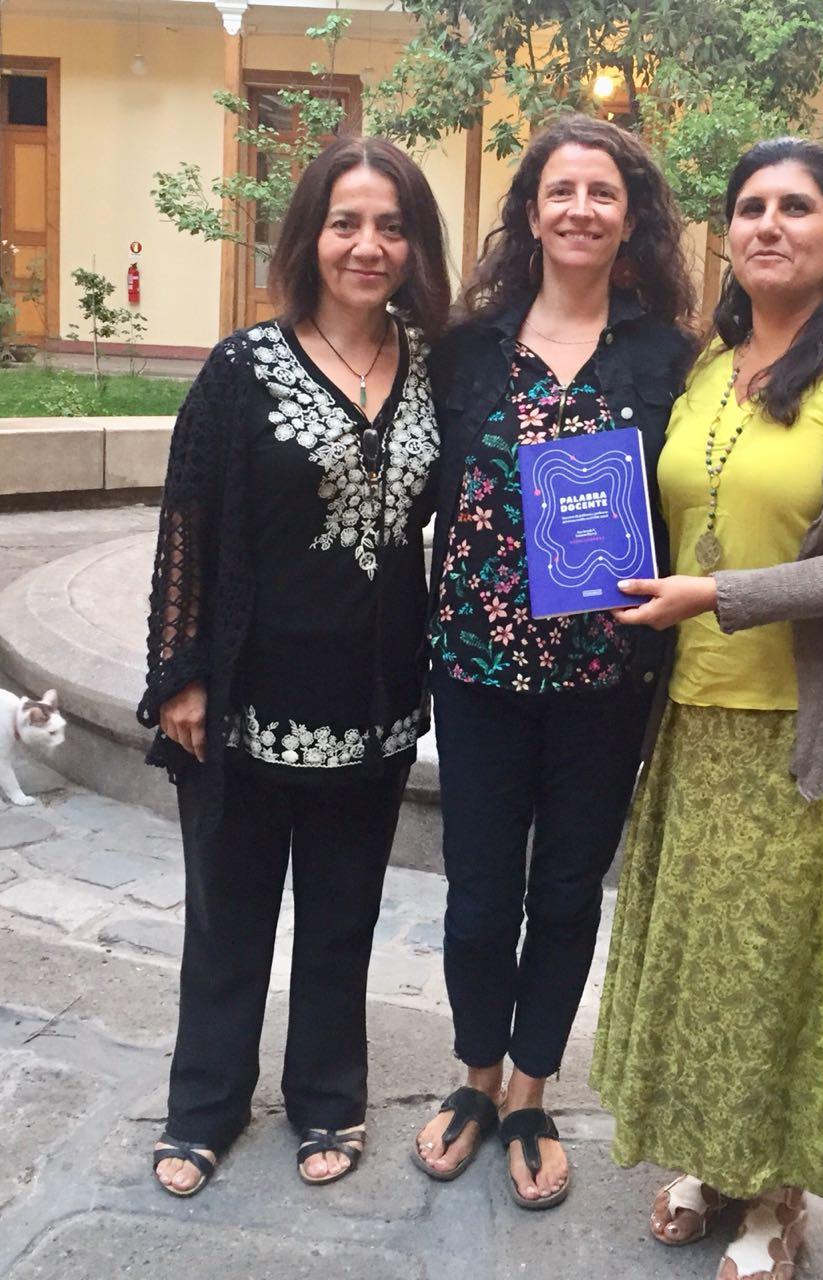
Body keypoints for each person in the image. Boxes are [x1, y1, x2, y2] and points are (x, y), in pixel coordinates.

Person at [589, 137, 823, 1277]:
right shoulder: (711, 363)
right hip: (697, 720)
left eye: (796, 207)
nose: (766, 224)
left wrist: (719, 594)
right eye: (748, 206)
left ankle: (774, 1197)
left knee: (786, 975)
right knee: (702, 965)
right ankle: (705, 1152)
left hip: (815, 733)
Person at [137, 135, 449, 1196]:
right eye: (346, 222)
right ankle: (205, 1106)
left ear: (416, 245)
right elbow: (188, 518)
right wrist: (180, 669)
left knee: (342, 915)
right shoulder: (243, 369)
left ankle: (327, 1096)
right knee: (228, 913)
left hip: (371, 702)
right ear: (310, 236)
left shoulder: (431, 370)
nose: (368, 245)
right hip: (245, 697)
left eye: (392, 226)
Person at [411, 114, 696, 1208]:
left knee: (568, 887)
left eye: (602, 193)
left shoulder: (667, 355)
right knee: (479, 892)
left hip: (603, 678)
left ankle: (530, 1091)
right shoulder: (468, 347)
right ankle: (473, 1076)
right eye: (559, 190)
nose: (579, 209)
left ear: (630, 219)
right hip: (476, 670)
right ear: (529, 211)